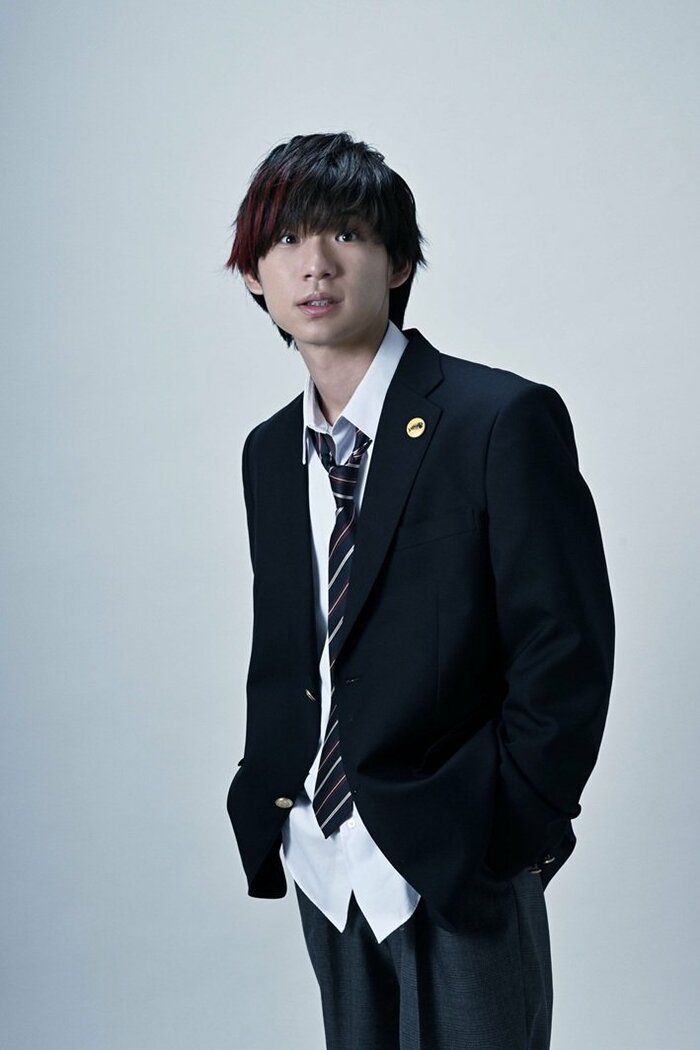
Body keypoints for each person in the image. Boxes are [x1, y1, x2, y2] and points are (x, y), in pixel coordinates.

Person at [225, 131, 615, 1050]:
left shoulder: (498, 418)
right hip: (322, 855)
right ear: (253, 275)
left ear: (398, 262)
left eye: (346, 234)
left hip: (458, 851)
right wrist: (275, 798)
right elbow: (298, 644)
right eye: (285, 240)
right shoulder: (269, 452)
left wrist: (508, 830)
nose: (315, 265)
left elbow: (564, 647)